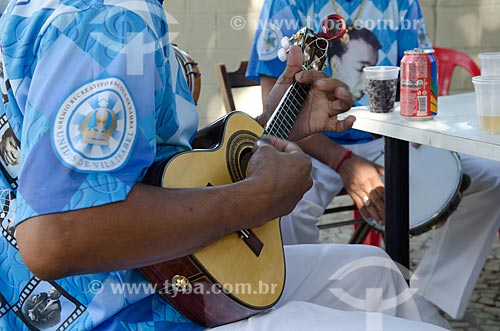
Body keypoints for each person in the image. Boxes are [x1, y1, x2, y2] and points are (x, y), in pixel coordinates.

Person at [0, 1, 450, 331]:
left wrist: (272, 125)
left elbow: (136, 163)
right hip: (124, 309)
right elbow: (56, 238)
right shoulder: (113, 19)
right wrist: (256, 200)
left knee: (377, 271)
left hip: (161, 276)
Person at [247, 0, 500, 324]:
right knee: (285, 208)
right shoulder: (286, 4)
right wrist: (344, 162)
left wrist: (418, 128)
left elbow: (417, 68)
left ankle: (428, 299)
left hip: (387, 137)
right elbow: (274, 109)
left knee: (492, 175)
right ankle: (305, 311)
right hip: (310, 145)